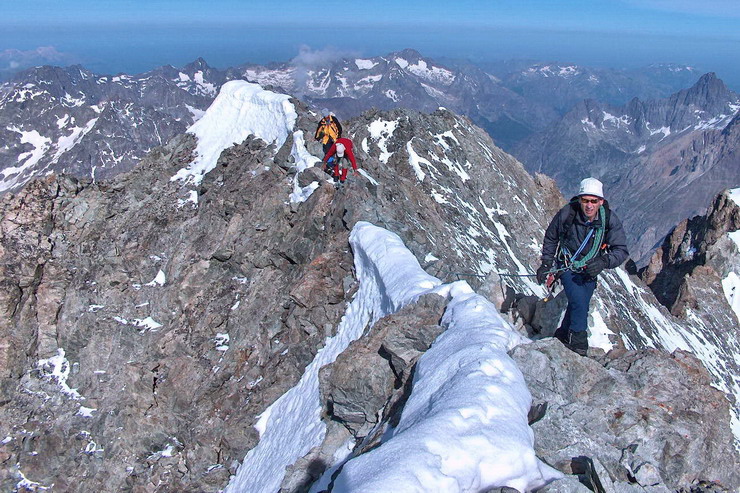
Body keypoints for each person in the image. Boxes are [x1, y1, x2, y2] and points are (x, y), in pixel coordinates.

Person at [536, 178, 629, 356]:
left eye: (594, 201)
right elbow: (551, 237)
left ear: (601, 202)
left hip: (590, 269)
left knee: (580, 303)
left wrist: (603, 262)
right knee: (579, 302)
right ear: (580, 200)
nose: (589, 205)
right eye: (585, 200)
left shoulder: (608, 219)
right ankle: (578, 345)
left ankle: (563, 334)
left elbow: (621, 251)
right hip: (567, 265)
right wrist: (547, 263)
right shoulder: (568, 213)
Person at [314, 109, 342, 174]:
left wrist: (338, 136)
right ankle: (330, 165)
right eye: (325, 116)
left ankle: (334, 165)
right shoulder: (322, 122)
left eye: (327, 116)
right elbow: (319, 130)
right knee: (328, 152)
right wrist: (317, 138)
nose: (326, 117)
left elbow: (339, 128)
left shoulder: (333, 119)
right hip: (326, 139)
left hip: (334, 138)